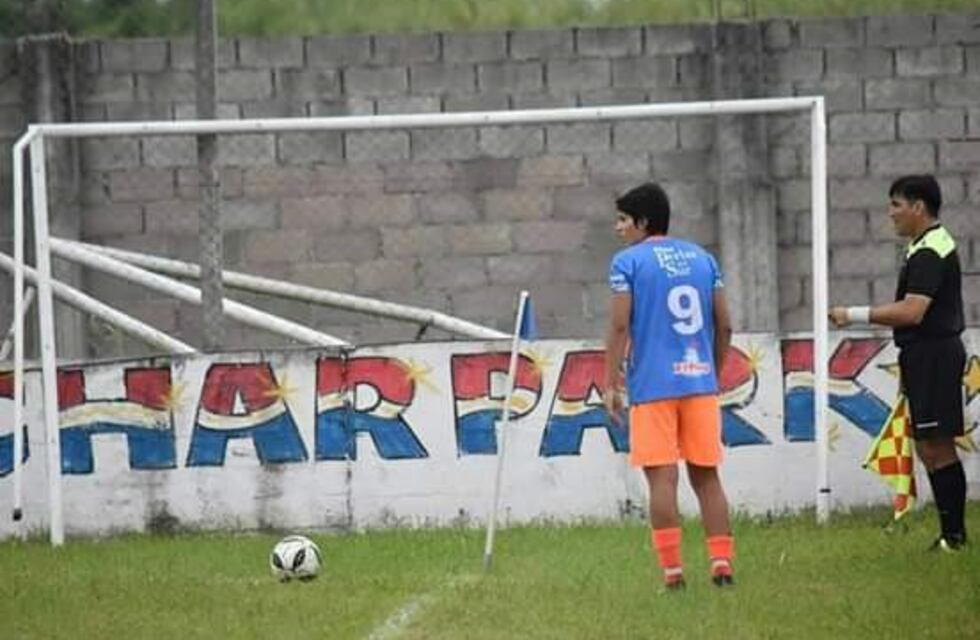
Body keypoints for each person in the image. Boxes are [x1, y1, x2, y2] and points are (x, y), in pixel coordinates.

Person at [603, 182, 735, 590]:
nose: (618, 227)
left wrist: (611, 382)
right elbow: (725, 324)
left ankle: (673, 574)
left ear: (643, 222)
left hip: (653, 386)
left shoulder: (627, 262)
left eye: (623, 219)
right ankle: (722, 566)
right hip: (699, 383)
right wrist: (709, 371)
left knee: (662, 480)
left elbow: (621, 324)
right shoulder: (702, 258)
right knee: (707, 478)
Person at [830, 174, 967, 552]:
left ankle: (955, 538)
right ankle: (950, 534)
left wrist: (852, 314)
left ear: (918, 207)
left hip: (935, 354)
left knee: (938, 445)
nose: (891, 214)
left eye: (896, 205)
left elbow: (912, 311)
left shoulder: (929, 251)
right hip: (925, 355)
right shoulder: (923, 246)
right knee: (927, 445)